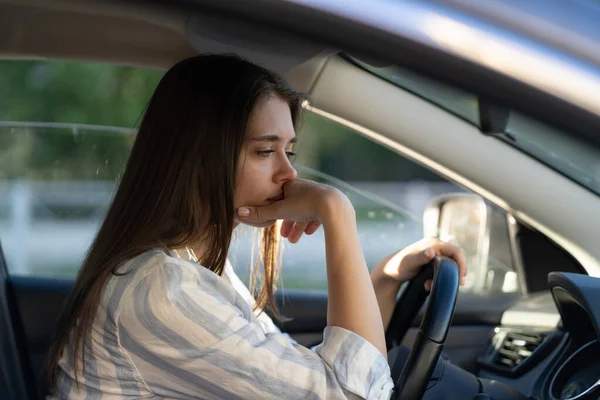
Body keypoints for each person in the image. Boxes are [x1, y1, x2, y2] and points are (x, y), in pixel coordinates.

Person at [44, 54, 467, 399]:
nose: (287, 174)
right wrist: (336, 211)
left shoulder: (193, 264)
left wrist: (383, 281)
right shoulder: (162, 290)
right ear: (199, 158)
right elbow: (348, 394)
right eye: (265, 151)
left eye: (289, 152)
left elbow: (298, 375)